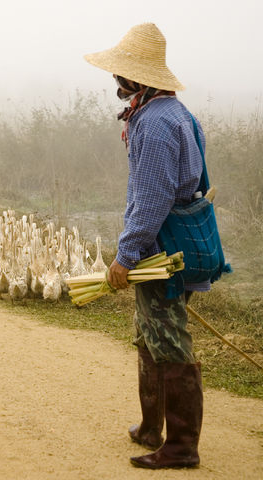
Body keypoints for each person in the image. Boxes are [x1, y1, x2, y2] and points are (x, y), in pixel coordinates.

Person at [84, 23, 205, 469]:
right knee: (150, 334)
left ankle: (181, 447)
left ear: (136, 78)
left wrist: (126, 255)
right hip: (181, 240)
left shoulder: (153, 123)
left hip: (160, 246)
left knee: (169, 340)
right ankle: (151, 426)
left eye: (119, 72)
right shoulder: (178, 113)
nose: (114, 79)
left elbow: (152, 198)